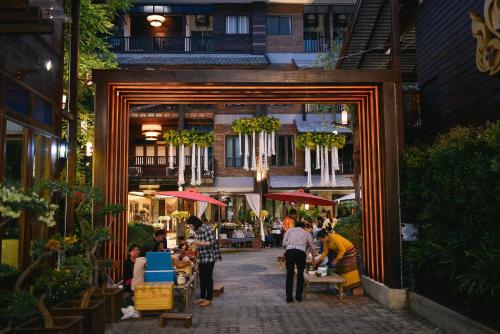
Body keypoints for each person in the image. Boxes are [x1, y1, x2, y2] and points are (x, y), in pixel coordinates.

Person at [187, 215, 222, 307]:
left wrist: (199, 243)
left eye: (190, 225)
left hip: (210, 256)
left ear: (195, 223)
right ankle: (202, 297)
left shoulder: (207, 229)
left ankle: (209, 298)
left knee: (208, 277)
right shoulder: (197, 231)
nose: (190, 227)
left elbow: (212, 242)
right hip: (202, 257)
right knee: (202, 277)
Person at [282, 220, 316, 303]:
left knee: (290, 274)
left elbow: (283, 243)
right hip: (301, 253)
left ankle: (289, 298)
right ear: (303, 227)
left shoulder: (289, 230)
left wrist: (287, 249)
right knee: (300, 274)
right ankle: (298, 296)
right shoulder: (306, 233)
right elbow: (311, 246)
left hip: (289, 252)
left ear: (295, 226)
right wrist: (314, 257)